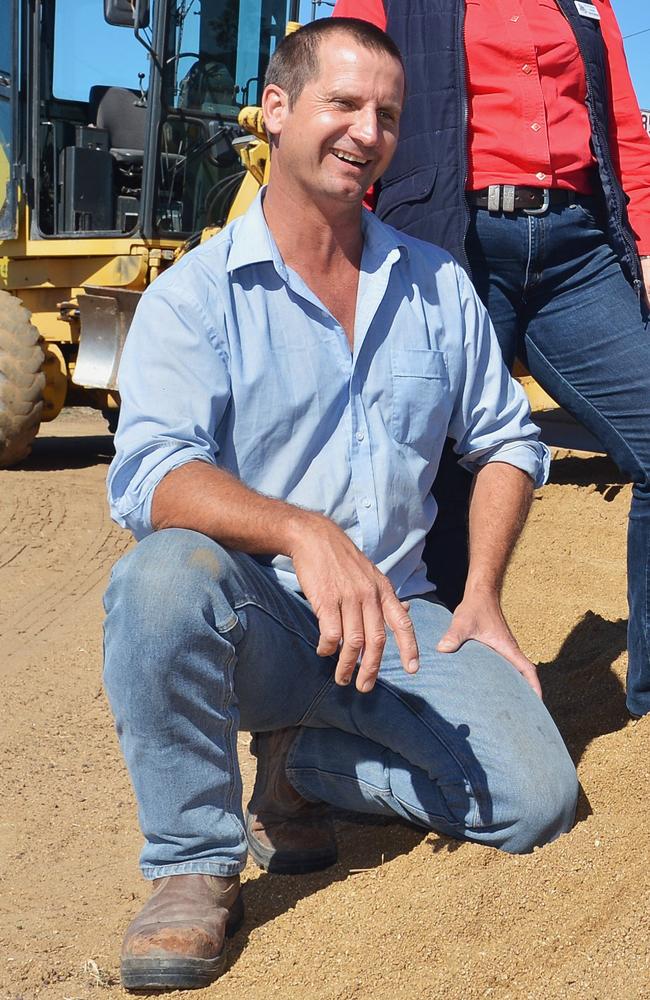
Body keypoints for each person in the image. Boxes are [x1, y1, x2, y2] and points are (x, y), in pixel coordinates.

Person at [104, 18, 578, 993]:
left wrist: (480, 591)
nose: (366, 131)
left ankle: (304, 768)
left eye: (387, 116)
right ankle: (193, 863)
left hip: (402, 630)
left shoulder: (436, 286)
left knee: (536, 802)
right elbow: (151, 473)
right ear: (275, 111)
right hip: (263, 628)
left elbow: (504, 442)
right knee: (158, 577)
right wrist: (296, 530)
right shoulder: (197, 295)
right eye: (343, 105)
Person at [332, 0, 650, 720]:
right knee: (428, 469)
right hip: (450, 235)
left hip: (579, 251)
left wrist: (648, 241)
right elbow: (345, 102)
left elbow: (626, 131)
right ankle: (430, 703)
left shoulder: (586, 3)